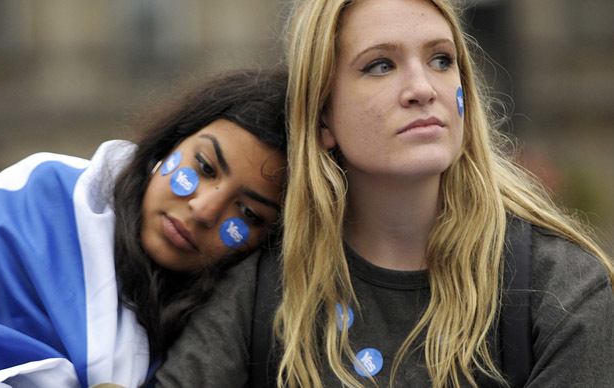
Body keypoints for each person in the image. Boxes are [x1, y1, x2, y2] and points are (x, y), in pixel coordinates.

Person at [153, 0, 614, 387]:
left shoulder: (561, 290)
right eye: (380, 65)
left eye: (441, 59)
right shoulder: (258, 291)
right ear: (322, 117)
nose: (421, 89)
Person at [0, 67, 288, 388]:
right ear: (172, 141)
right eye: (205, 167)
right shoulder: (35, 199)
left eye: (249, 213)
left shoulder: (241, 322)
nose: (204, 209)